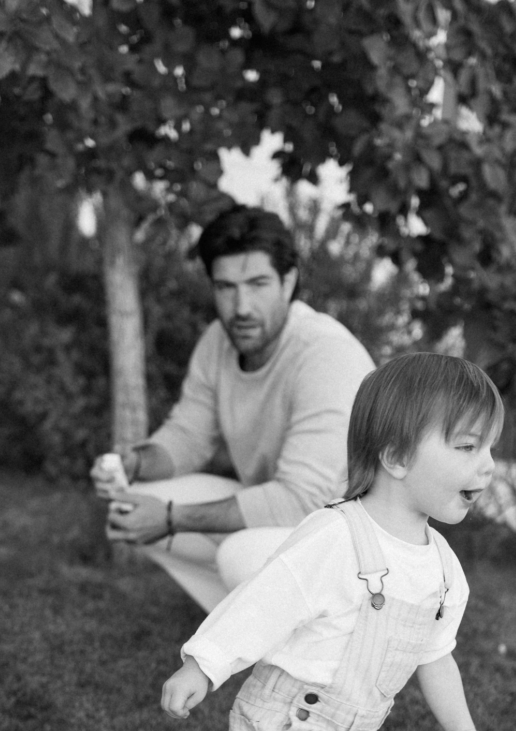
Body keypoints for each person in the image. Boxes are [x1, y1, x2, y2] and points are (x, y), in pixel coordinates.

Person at [160, 353, 499, 731]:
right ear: (396, 457)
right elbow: (263, 602)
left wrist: (463, 730)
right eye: (469, 447)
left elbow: (436, 657)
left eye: (490, 449)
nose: (489, 465)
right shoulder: (336, 537)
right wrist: (204, 664)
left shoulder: (445, 570)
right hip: (284, 721)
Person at [91, 204, 377, 612]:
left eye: (257, 284)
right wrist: (133, 463)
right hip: (295, 521)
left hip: (359, 545)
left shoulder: (325, 353)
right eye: (226, 287)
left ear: (288, 281)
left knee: (238, 555)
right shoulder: (218, 342)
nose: (241, 307)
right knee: (135, 499)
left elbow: (300, 500)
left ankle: (324, 645)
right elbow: (188, 436)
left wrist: (172, 517)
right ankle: (244, 640)